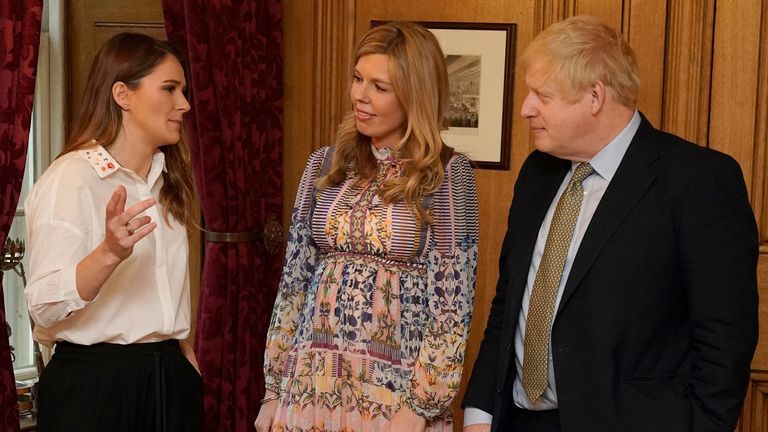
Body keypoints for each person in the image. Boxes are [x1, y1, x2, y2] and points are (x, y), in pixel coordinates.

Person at [462, 15, 758, 432]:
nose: (526, 108)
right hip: (518, 421)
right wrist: (480, 412)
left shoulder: (697, 182)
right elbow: (510, 301)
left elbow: (724, 342)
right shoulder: (537, 173)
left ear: (594, 96)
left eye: (541, 95)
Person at [254, 21, 479, 432]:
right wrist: (273, 389)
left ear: (415, 96)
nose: (360, 95)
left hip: (397, 398)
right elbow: (293, 283)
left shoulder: (447, 174)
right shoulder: (324, 164)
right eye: (358, 79)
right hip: (309, 387)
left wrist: (420, 406)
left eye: (380, 86)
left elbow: (452, 305)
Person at [24, 32, 203, 431]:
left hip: (169, 378)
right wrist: (108, 253)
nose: (185, 104)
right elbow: (44, 306)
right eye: (170, 89)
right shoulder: (71, 177)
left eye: (184, 90)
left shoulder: (167, 179)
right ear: (123, 94)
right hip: (95, 385)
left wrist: (182, 354)